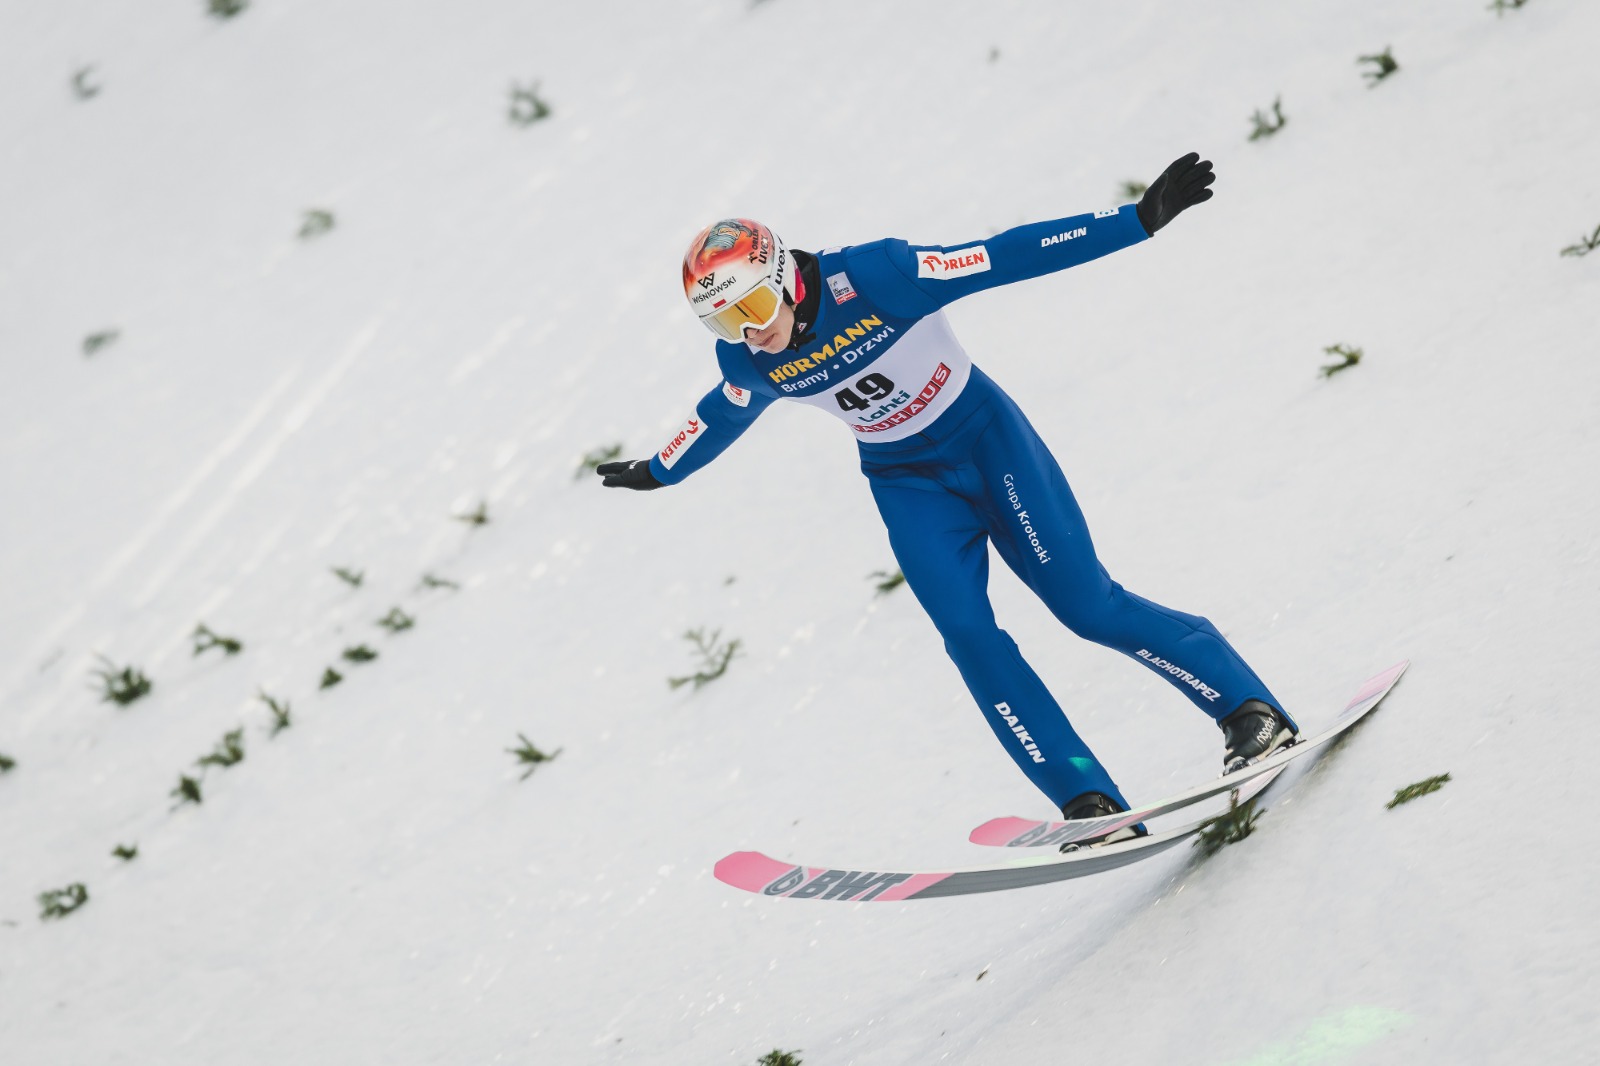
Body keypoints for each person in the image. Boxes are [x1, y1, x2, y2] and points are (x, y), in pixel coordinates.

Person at [597, 153, 1297, 845]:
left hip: (989, 444)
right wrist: (660, 471)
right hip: (908, 485)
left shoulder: (877, 277)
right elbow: (723, 412)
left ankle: (1246, 708)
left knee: (1087, 607)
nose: (751, 332)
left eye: (751, 306)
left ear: (782, 276)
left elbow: (1001, 256)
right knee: (968, 637)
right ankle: (1088, 799)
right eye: (724, 323)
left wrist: (1136, 221)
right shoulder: (750, 357)